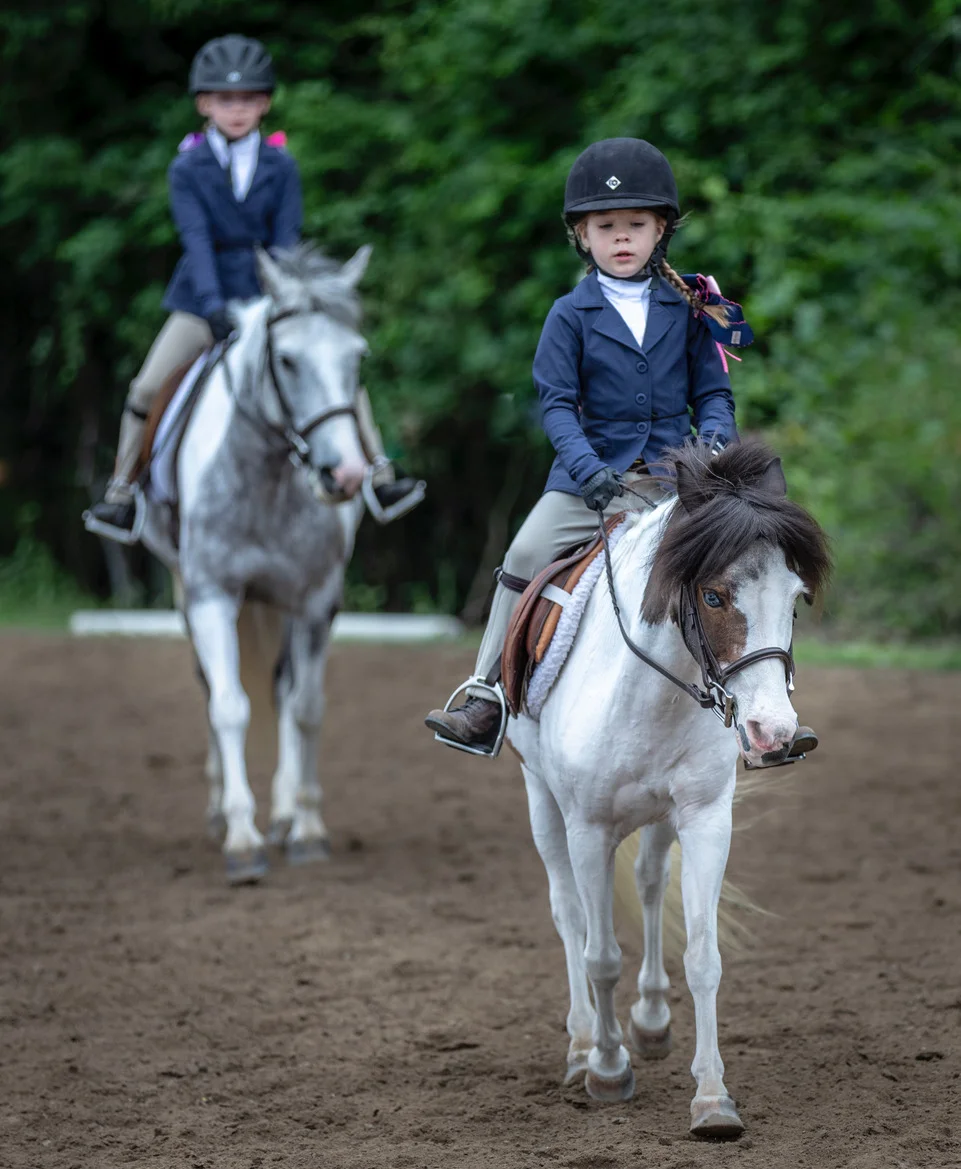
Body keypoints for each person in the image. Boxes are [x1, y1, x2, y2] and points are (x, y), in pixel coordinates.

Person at [426, 137, 817, 760]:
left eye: (636, 225)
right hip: (591, 478)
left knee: (749, 566)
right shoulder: (568, 315)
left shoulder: (690, 311)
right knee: (525, 550)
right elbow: (556, 405)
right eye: (606, 227)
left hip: (678, 480)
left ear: (660, 229)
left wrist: (712, 453)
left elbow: (715, 395)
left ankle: (770, 703)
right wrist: (586, 470)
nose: (622, 237)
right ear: (583, 236)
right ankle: (487, 694)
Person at [85, 33, 422, 541]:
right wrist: (215, 306)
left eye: (247, 100)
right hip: (204, 298)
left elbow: (285, 241)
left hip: (273, 298)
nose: (237, 110)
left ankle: (378, 474)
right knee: (147, 386)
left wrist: (279, 299)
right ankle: (123, 490)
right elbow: (195, 241)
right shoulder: (187, 168)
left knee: (335, 372)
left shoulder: (281, 164)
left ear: (264, 104)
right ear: (205, 105)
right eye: (226, 100)